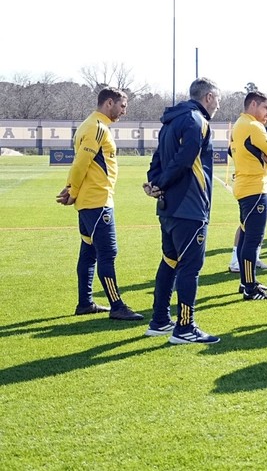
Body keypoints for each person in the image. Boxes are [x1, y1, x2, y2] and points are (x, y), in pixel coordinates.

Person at [145, 77, 221, 344]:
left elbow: (157, 159)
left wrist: (155, 183)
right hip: (190, 206)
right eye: (218, 99)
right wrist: (161, 183)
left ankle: (159, 321)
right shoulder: (197, 121)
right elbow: (184, 160)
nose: (218, 105)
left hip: (168, 207)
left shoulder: (170, 121)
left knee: (169, 261)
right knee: (190, 267)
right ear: (208, 97)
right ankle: (185, 327)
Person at [57, 87, 143, 321]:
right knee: (107, 253)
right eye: (122, 106)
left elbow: (81, 163)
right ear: (109, 103)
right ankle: (117, 306)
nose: (124, 111)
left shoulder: (90, 125)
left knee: (89, 252)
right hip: (97, 202)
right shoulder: (97, 127)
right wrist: (72, 190)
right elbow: (81, 163)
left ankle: (85, 303)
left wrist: (71, 189)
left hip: (90, 201)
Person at [228, 91, 267, 301]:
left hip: (245, 186)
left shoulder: (239, 124)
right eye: (265, 108)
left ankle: (246, 282)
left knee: (245, 236)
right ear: (253, 105)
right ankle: (250, 288)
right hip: (255, 188)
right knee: (252, 239)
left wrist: (264, 156)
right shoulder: (253, 126)